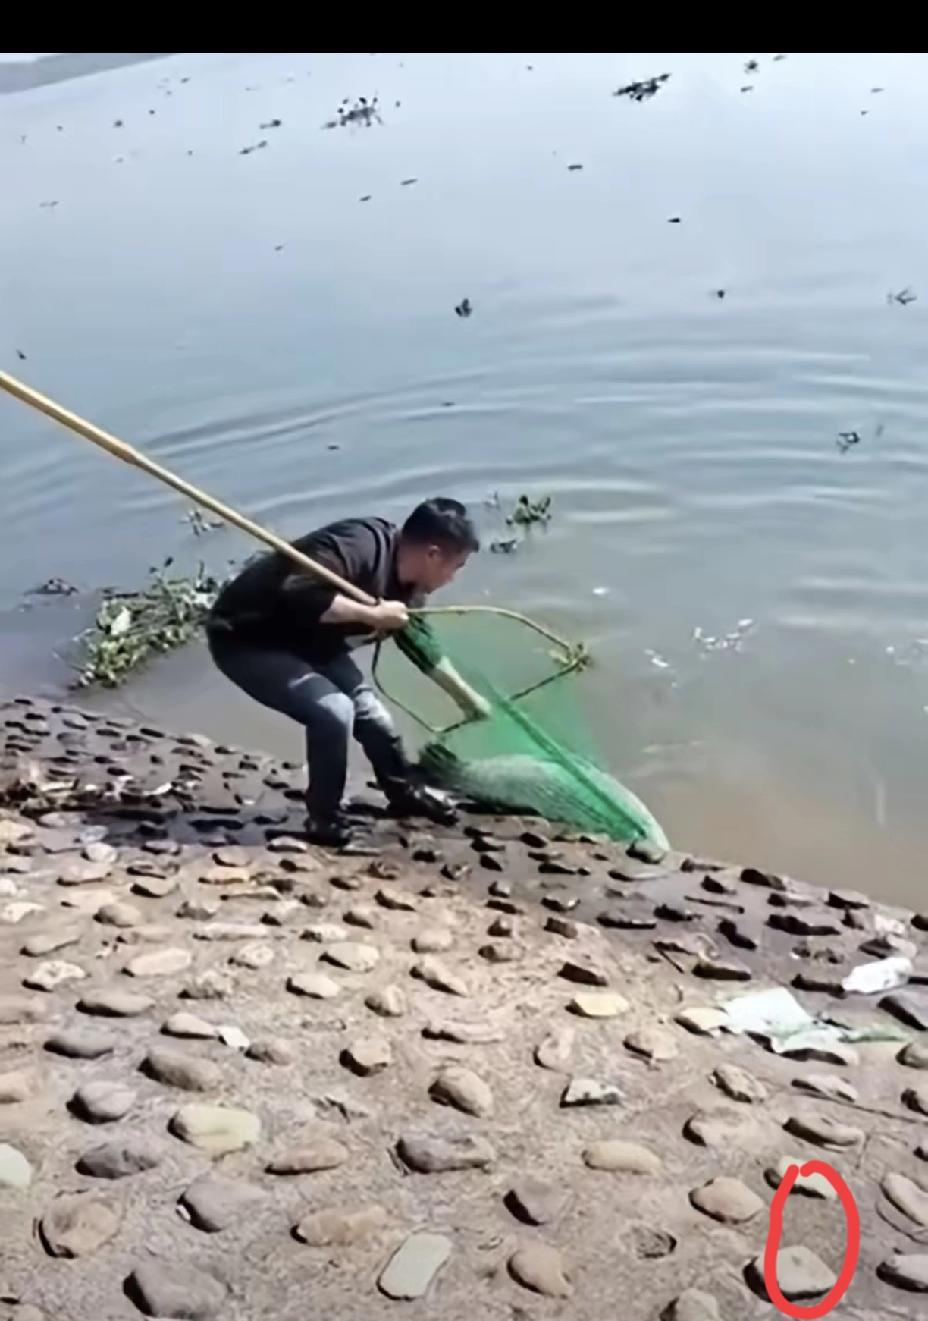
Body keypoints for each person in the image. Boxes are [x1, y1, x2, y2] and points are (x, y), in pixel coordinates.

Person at [206, 497, 489, 849]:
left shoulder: (410, 589)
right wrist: (372, 616)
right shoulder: (359, 545)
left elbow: (420, 644)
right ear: (433, 554)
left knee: (376, 719)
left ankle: (404, 793)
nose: (452, 578)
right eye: (456, 566)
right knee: (335, 712)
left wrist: (468, 700)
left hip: (314, 645)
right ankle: (323, 818)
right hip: (248, 639)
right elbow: (299, 592)